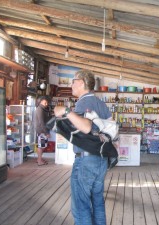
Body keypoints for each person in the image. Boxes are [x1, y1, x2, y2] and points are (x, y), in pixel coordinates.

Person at [54, 70, 112, 225]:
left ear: (81, 82)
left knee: (81, 207)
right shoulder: (100, 103)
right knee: (98, 203)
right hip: (101, 160)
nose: (71, 85)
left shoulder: (84, 101)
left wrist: (66, 111)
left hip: (86, 161)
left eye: (73, 81)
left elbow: (86, 127)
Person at [34, 96, 51, 166]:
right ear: (40, 101)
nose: (46, 104)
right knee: (41, 146)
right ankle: (39, 160)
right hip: (41, 131)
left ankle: (39, 159)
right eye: (45, 102)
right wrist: (46, 132)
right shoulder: (40, 109)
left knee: (42, 145)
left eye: (47, 102)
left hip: (41, 130)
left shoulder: (43, 109)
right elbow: (41, 122)